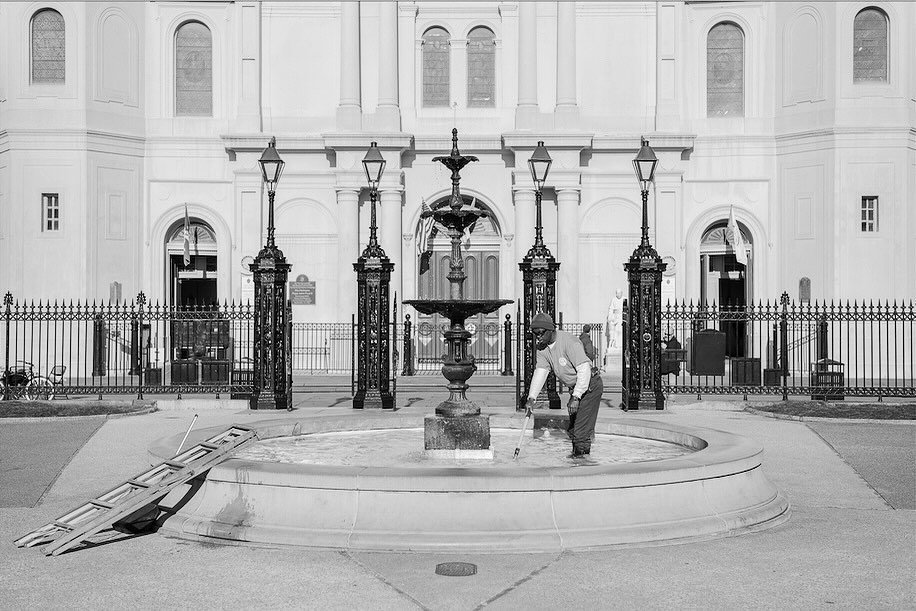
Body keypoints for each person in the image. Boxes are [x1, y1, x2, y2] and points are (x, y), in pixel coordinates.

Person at [524, 312, 604, 457]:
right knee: (573, 430)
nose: (539, 337)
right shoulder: (542, 348)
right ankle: (579, 456)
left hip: (590, 386)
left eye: (541, 333)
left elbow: (584, 370)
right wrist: (531, 398)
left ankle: (582, 465)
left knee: (580, 433)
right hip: (577, 388)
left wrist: (576, 396)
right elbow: (541, 372)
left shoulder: (569, 342)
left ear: (551, 330)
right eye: (535, 334)